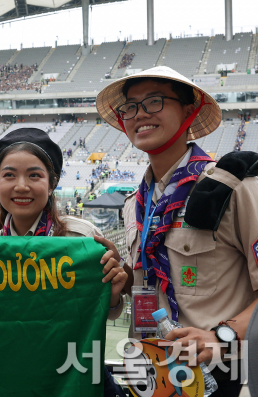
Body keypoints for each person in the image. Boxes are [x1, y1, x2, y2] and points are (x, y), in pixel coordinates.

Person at [96, 66, 258, 396]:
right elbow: (151, 281)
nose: (140, 114)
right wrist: (123, 277)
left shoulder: (232, 187)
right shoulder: (134, 203)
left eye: (154, 101)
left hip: (220, 377)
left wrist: (221, 336)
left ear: (189, 110)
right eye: (130, 106)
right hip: (150, 375)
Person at [0, 128, 127, 396]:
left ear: (52, 183)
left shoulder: (80, 238)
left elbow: (103, 311)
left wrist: (113, 296)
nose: (21, 186)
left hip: (68, 371)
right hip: (9, 371)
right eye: (9, 175)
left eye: (34, 175)